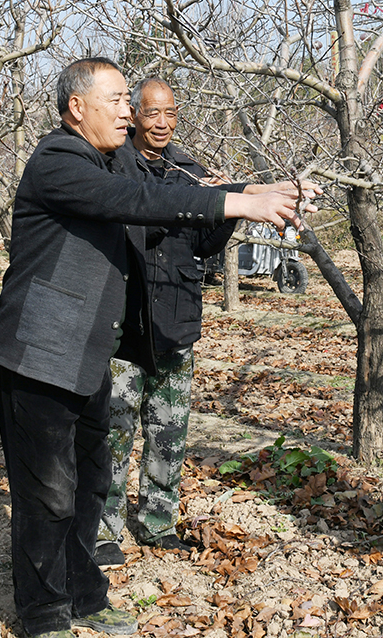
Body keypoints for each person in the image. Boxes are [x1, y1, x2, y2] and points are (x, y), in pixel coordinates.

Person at [0, 58, 312, 638]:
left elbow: (165, 190)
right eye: (115, 101)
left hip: (88, 354)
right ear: (76, 107)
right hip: (40, 355)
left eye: (127, 101)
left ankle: (85, 596)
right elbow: (134, 200)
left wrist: (257, 190)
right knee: (48, 495)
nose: (128, 112)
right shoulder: (58, 160)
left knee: (89, 486)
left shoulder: (105, 159)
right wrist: (240, 205)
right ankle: (43, 615)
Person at [96, 77, 240, 564]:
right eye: (152, 113)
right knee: (113, 433)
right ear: (134, 115)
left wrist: (225, 208)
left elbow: (203, 244)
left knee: (168, 433)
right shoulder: (114, 165)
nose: (162, 123)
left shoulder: (189, 171)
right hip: (125, 326)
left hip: (176, 322)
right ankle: (104, 530)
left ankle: (158, 523)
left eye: (171, 113)